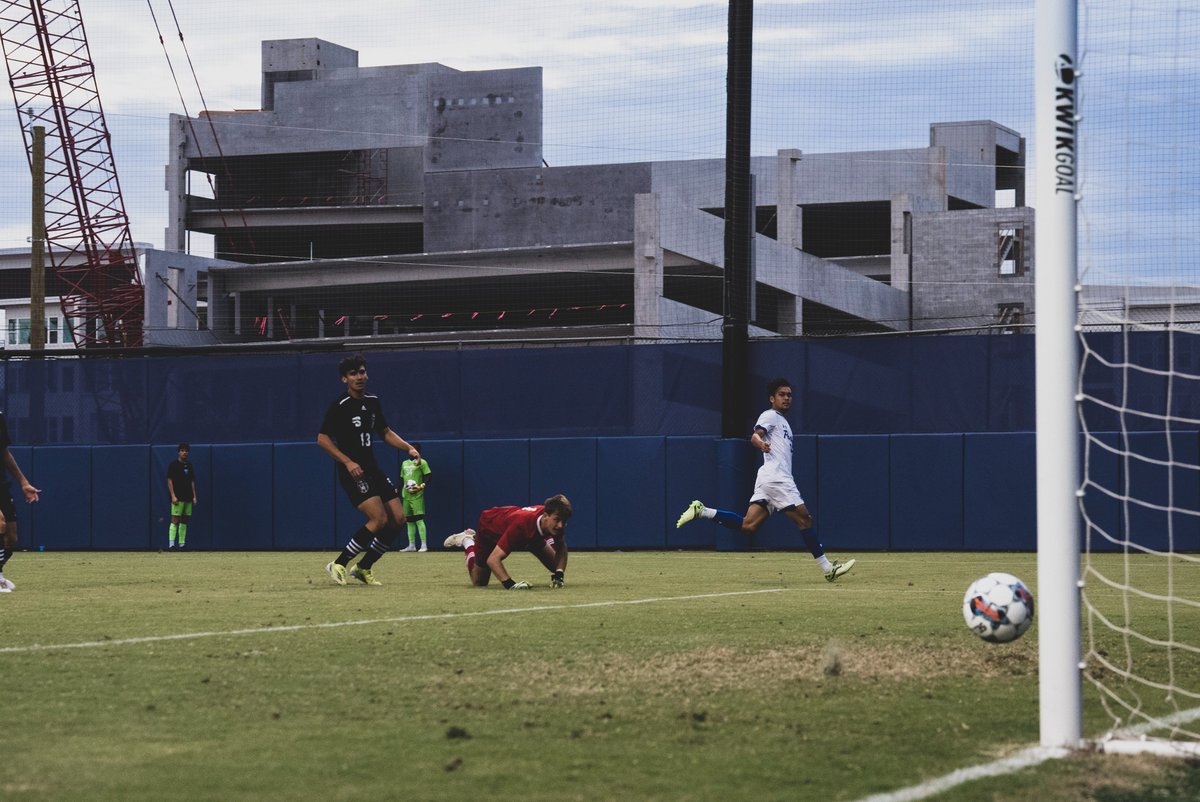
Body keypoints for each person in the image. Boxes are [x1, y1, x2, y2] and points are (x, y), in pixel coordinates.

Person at [676, 377, 856, 582]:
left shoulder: (783, 422)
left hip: (769, 478)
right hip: (776, 478)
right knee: (805, 519)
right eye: (782, 394)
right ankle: (827, 568)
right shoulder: (770, 415)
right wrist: (760, 443)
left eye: (789, 395)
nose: (787, 398)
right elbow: (755, 435)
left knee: (749, 525)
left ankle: (703, 511)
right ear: (772, 398)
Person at [318, 354, 420, 586]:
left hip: (372, 468)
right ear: (344, 379)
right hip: (354, 472)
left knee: (398, 519)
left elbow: (385, 432)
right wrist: (348, 462)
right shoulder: (340, 405)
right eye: (353, 373)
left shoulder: (373, 401)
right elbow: (322, 439)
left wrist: (408, 447)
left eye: (362, 372)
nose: (359, 377)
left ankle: (364, 567)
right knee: (378, 518)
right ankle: (339, 564)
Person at [443, 494, 571, 589]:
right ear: (545, 516)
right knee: (479, 582)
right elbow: (493, 560)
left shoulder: (554, 518)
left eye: (563, 521)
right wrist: (510, 584)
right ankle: (467, 540)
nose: (560, 525)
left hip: (526, 532)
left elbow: (561, 548)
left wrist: (559, 574)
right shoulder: (521, 526)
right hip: (490, 528)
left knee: (556, 566)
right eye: (557, 520)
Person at [0, 410, 41, 592]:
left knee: (11, 538)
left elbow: (4, 452)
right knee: (0, 523)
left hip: (1, 486)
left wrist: (24, 483)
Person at [398, 444, 432, 552]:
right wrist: (397, 489)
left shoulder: (422, 462)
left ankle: (424, 545)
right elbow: (402, 478)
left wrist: (422, 485)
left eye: (413, 449)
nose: (411, 451)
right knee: (409, 521)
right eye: (410, 449)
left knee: (419, 519)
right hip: (406, 496)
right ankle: (411, 545)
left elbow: (428, 476)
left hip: (417, 496)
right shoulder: (404, 463)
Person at [166, 443, 197, 549]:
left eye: (186, 451)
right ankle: (171, 545)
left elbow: (192, 481)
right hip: (178, 497)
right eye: (182, 451)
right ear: (178, 452)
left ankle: (182, 544)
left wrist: (194, 496)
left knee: (184, 520)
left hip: (188, 497)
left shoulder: (189, 465)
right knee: (175, 520)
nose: (184, 453)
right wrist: (173, 495)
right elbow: (169, 481)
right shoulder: (173, 465)